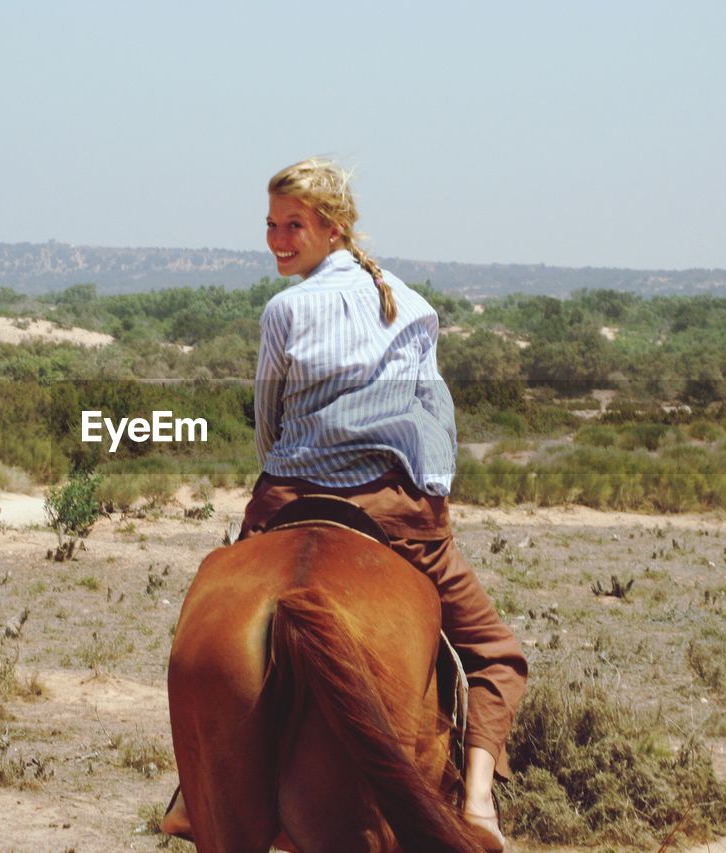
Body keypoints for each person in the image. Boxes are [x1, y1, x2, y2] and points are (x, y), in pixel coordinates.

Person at [165, 157, 527, 850]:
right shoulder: (413, 305)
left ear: (332, 227)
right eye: (270, 225)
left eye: (291, 225)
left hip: (288, 496)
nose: (276, 239)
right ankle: (478, 803)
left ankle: (195, 792)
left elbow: (268, 423)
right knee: (494, 654)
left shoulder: (284, 311)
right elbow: (434, 415)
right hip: (395, 511)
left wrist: (281, 479)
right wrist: (430, 499)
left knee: (220, 599)